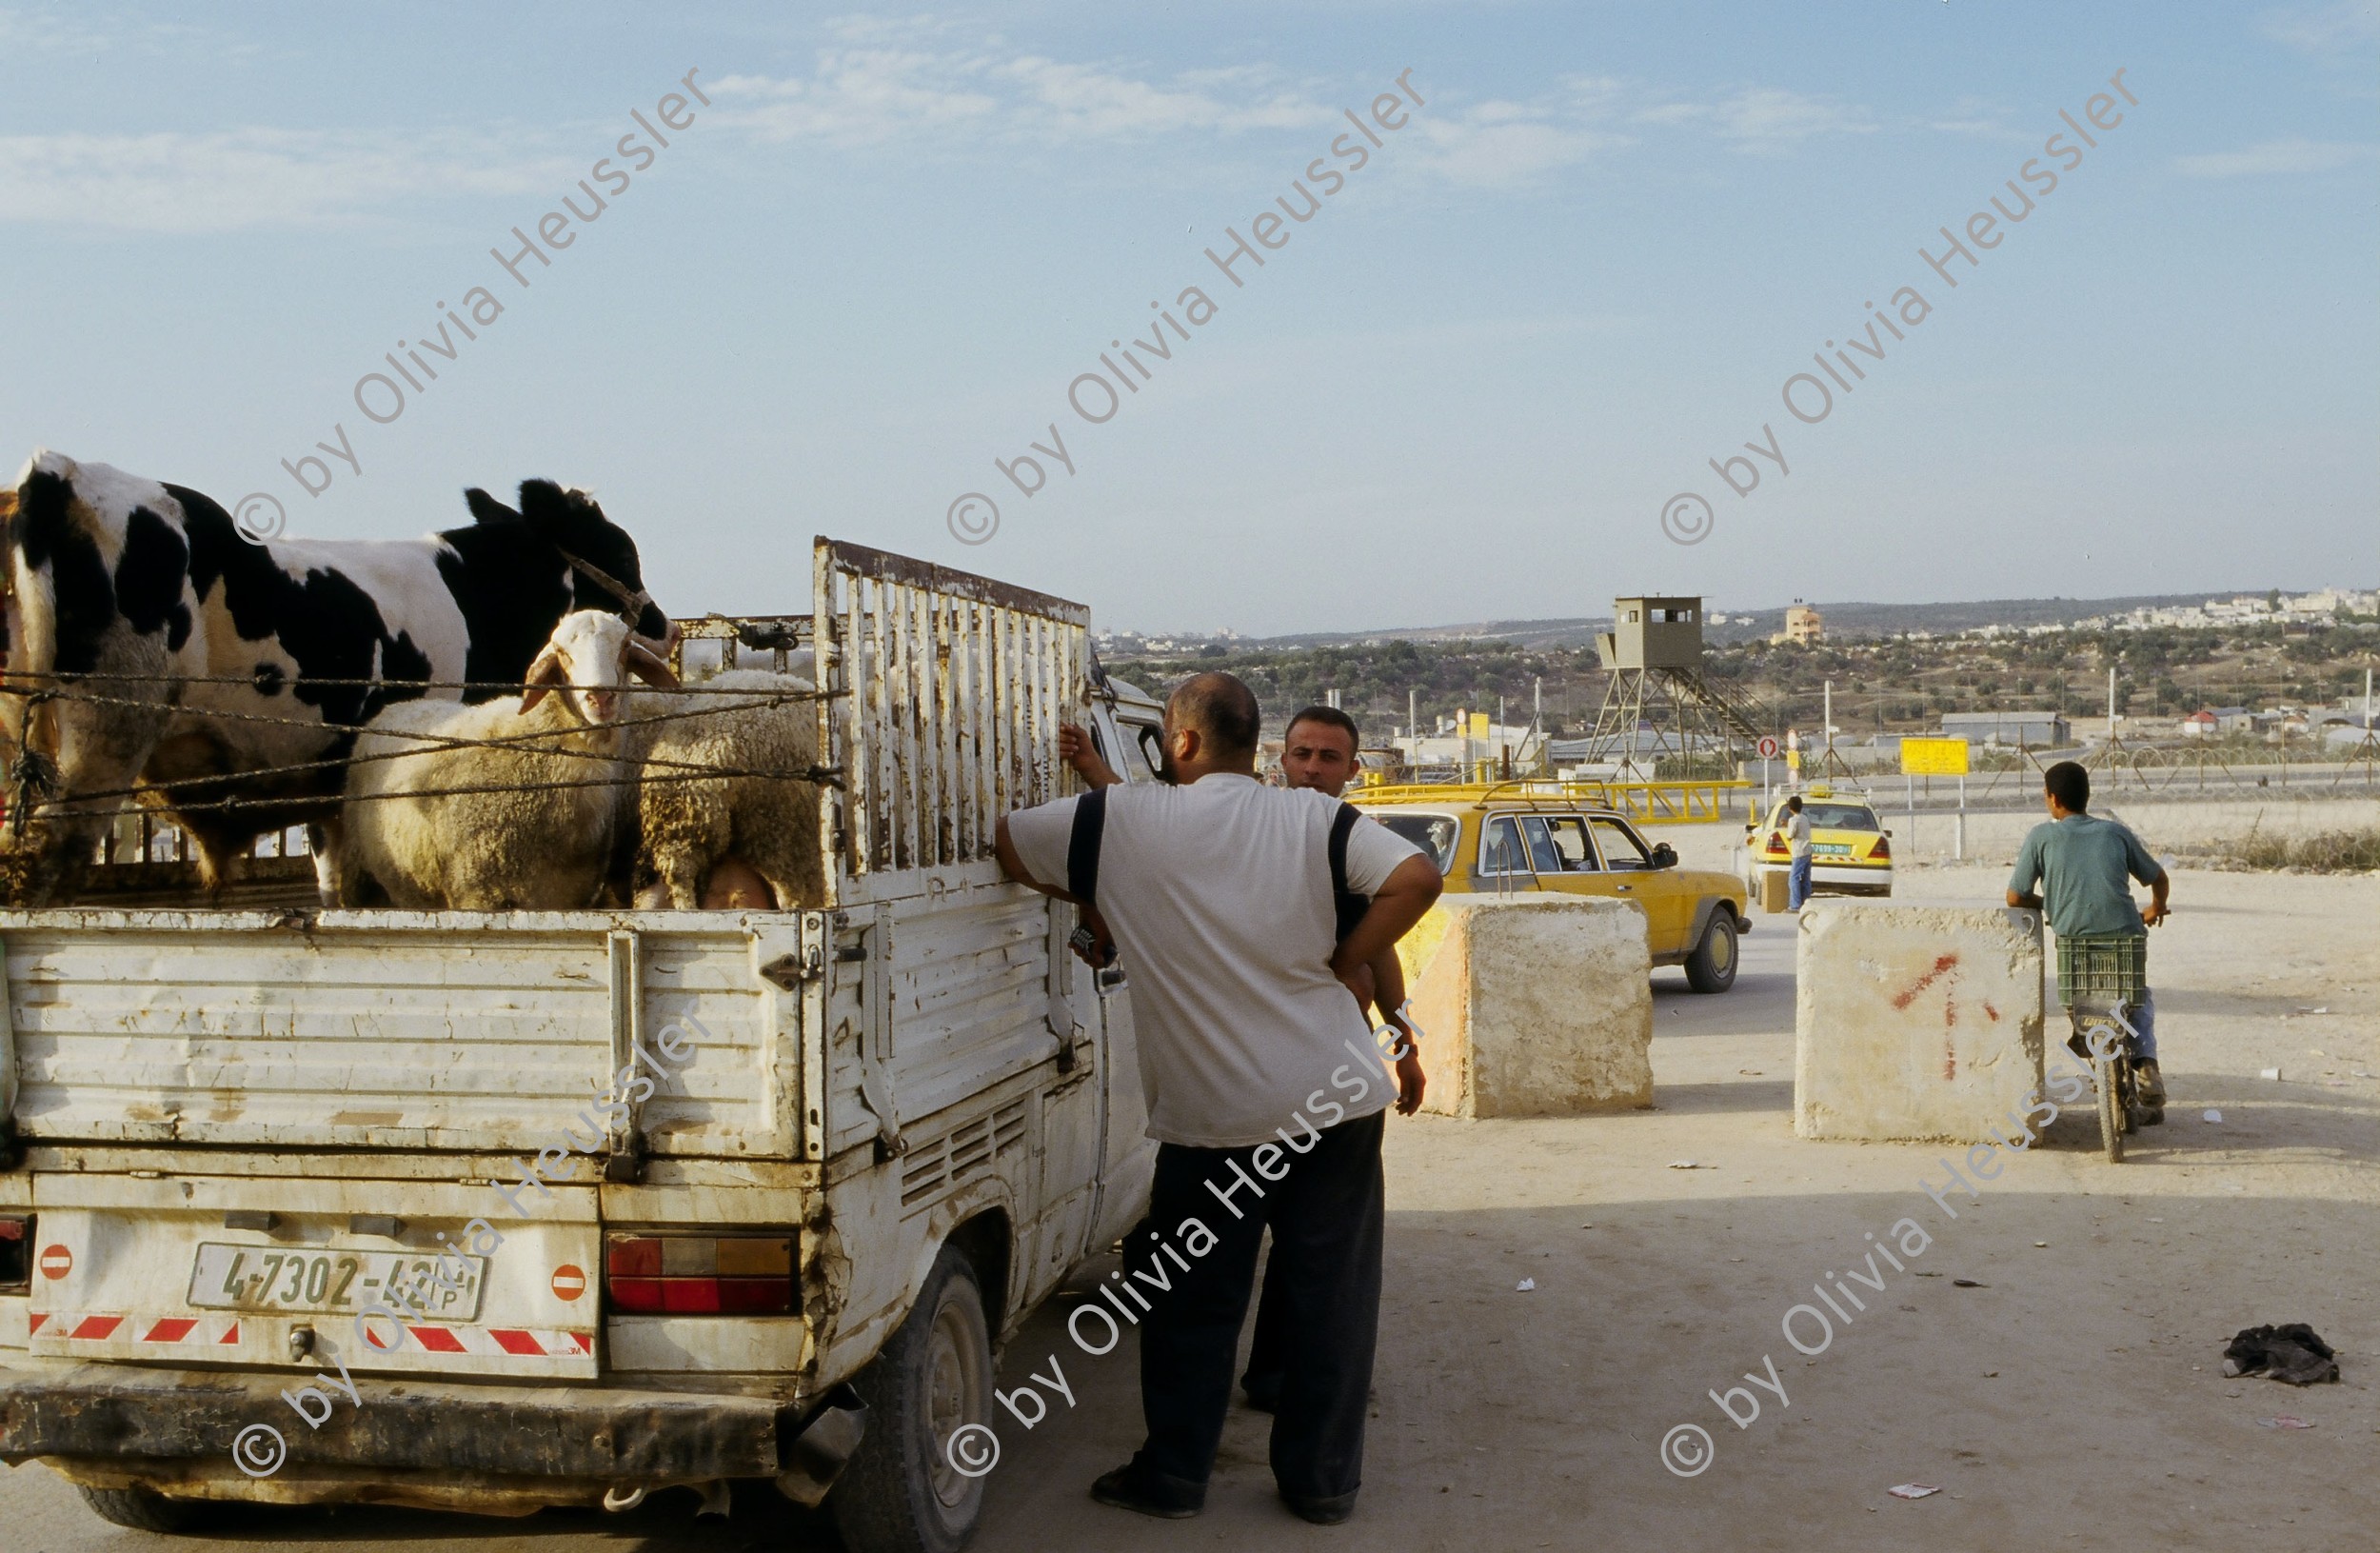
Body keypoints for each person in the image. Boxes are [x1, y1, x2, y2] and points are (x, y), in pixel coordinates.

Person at [999, 672, 1441, 1524]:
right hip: (1336, 1100)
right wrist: (1343, 953)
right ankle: (1320, 1486)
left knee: (1190, 1304)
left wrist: (1106, 895)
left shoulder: (1121, 818)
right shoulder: (1316, 818)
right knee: (1331, 1300)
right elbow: (1418, 879)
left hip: (1213, 1124)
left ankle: (1173, 1477)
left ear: (1183, 742)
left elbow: (1010, 848)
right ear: (1261, 746)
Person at [1238, 705, 1421, 1414]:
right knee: (1250, 1250)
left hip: (1331, 1081)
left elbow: (1383, 947)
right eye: (1301, 753)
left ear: (1354, 768)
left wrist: (1405, 1044)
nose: (1312, 768)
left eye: (1328, 757)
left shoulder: (1355, 845)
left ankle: (1281, 1379)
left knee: (1313, 1248)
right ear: (1278, 760)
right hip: (1249, 1073)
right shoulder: (1250, 831)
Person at [2006, 760, 2171, 1122]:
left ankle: (2091, 1046)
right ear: (2087, 797)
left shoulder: (2040, 837)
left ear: (2052, 799)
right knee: (2137, 995)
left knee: (2079, 996)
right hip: (2125, 937)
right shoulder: (2115, 833)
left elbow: (2015, 897)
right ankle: (2145, 1063)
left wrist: (2049, 903)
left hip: (2073, 942)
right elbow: (2158, 877)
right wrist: (2157, 908)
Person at [1783, 794, 1815, 909]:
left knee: (1794, 878)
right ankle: (1806, 903)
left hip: (1799, 852)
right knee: (1806, 878)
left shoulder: (1793, 820)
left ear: (1790, 808)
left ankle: (1795, 905)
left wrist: (1787, 827)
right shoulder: (1804, 818)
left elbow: (1790, 836)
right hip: (1808, 850)